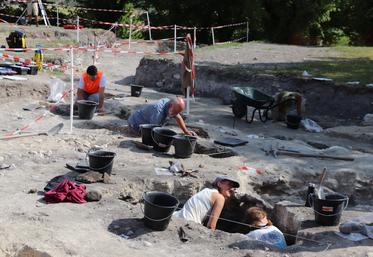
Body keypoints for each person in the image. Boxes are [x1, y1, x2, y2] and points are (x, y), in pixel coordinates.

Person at [173, 176, 240, 230]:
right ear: (219, 184)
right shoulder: (220, 198)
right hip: (187, 225)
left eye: (234, 187)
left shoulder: (206, 191)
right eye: (230, 185)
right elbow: (211, 226)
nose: (232, 189)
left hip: (176, 218)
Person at [127, 96, 196, 136]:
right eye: (175, 112)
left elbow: (178, 117)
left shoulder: (170, 104)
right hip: (135, 124)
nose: (175, 114)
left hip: (147, 121)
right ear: (171, 105)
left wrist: (186, 131)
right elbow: (154, 131)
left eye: (177, 112)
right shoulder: (158, 111)